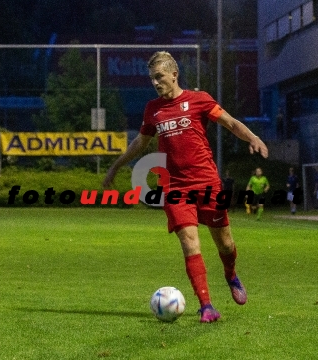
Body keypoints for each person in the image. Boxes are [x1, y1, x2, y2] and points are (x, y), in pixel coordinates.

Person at [102, 51, 268, 323]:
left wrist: (253, 137)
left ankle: (230, 274)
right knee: (190, 244)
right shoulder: (152, 109)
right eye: (152, 79)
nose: (155, 83)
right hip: (175, 188)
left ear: (174, 74)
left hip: (207, 183)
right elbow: (140, 144)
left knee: (225, 244)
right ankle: (206, 306)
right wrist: (117, 165)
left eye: (159, 77)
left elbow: (230, 123)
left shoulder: (199, 100)